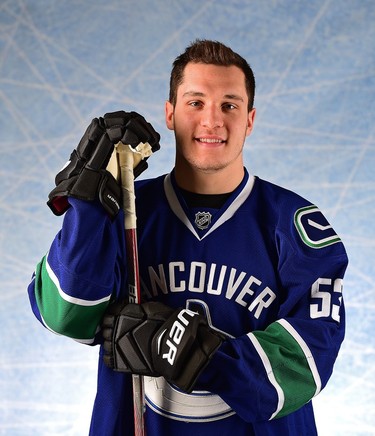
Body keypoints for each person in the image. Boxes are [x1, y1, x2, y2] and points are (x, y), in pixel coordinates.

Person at [28, 39, 348, 435]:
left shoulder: (295, 224)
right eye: (196, 102)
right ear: (170, 114)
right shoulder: (124, 212)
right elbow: (67, 315)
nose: (212, 120)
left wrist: (199, 354)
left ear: (249, 119)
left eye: (229, 105)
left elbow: (308, 360)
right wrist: (89, 204)